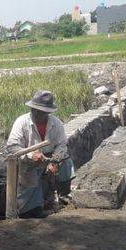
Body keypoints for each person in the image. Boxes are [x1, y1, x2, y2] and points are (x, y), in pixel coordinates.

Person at [6, 90, 74, 218]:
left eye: (40, 111)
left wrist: (55, 161)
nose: (36, 113)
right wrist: (31, 155)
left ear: (47, 112)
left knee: (67, 163)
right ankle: (33, 209)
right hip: (28, 162)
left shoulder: (56, 123)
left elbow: (62, 145)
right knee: (30, 208)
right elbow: (12, 147)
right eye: (34, 110)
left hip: (49, 157)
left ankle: (64, 197)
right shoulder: (22, 122)